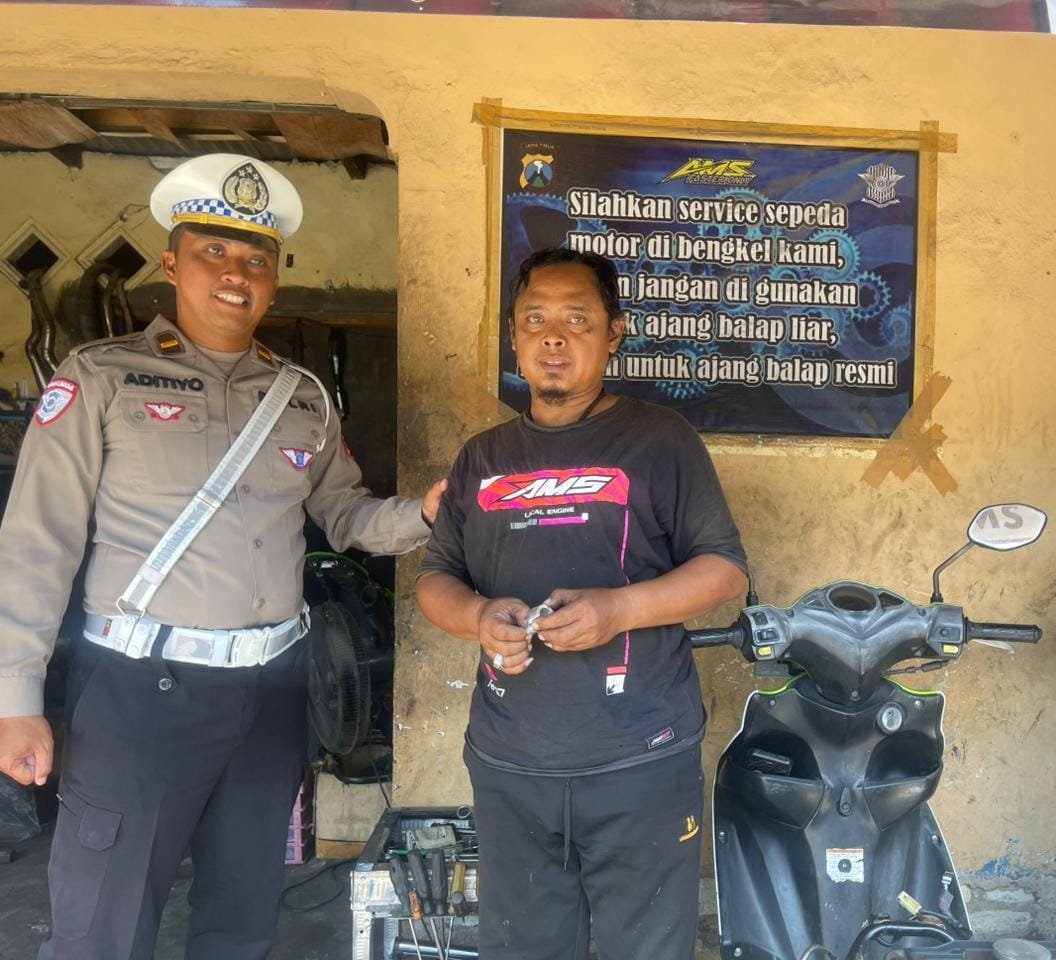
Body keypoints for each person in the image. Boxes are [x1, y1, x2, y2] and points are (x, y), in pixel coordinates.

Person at [0, 153, 444, 960]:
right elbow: (36, 542)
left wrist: (425, 515)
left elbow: (344, 515)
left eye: (256, 259)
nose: (237, 274)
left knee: (242, 916)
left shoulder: (302, 396)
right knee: (103, 926)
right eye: (214, 251)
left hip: (269, 693)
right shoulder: (100, 377)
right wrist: (14, 697)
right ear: (172, 264)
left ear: (273, 279)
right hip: (139, 691)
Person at [416, 247, 748, 960]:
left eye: (577, 319)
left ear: (614, 332)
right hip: (511, 762)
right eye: (535, 320)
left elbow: (725, 573)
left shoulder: (660, 441)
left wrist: (618, 611)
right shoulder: (483, 457)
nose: (554, 338)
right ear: (513, 336)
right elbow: (436, 578)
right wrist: (479, 618)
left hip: (641, 758)